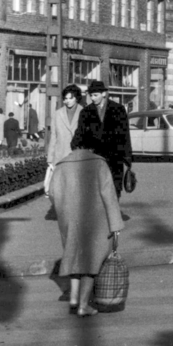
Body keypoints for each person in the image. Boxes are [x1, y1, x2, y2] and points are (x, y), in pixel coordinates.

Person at [48, 107, 125, 317]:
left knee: (73, 256)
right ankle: (83, 305)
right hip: (96, 221)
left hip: (70, 220)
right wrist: (116, 226)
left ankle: (73, 299)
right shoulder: (99, 163)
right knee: (93, 262)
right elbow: (110, 197)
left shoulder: (62, 165)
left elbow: (53, 193)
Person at [81, 80, 133, 196]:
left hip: (114, 157)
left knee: (114, 190)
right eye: (91, 95)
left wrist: (128, 156)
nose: (93, 98)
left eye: (96, 95)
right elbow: (80, 134)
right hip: (94, 158)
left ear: (104, 94)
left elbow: (125, 134)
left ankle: (112, 213)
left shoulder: (118, 110)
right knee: (95, 192)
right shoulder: (85, 112)